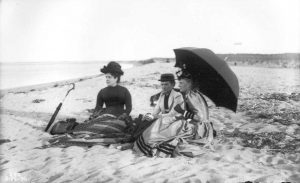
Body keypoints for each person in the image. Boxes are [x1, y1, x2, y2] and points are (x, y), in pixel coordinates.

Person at [133, 69, 214, 157]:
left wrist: (182, 112)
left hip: (198, 126)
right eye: (162, 84)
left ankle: (151, 144)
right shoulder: (172, 94)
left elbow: (200, 118)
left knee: (163, 130)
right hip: (180, 119)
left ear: (189, 83)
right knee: (150, 123)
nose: (179, 85)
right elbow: (157, 110)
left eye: (181, 83)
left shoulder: (192, 96)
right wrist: (152, 115)